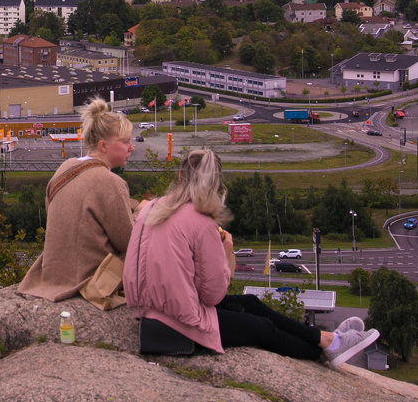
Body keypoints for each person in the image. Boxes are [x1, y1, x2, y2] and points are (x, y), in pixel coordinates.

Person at [123, 148, 378, 365]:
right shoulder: (200, 221)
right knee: (262, 329)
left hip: (148, 309)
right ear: (215, 184)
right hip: (177, 323)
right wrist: (226, 251)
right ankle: (325, 351)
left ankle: (327, 339)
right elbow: (213, 295)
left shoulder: (153, 207)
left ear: (180, 176)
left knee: (252, 305)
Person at [18, 98, 138, 301]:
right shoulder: (110, 182)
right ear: (103, 145)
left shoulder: (66, 168)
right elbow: (129, 241)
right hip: (88, 277)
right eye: (126, 142)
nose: (131, 147)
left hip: (52, 274)